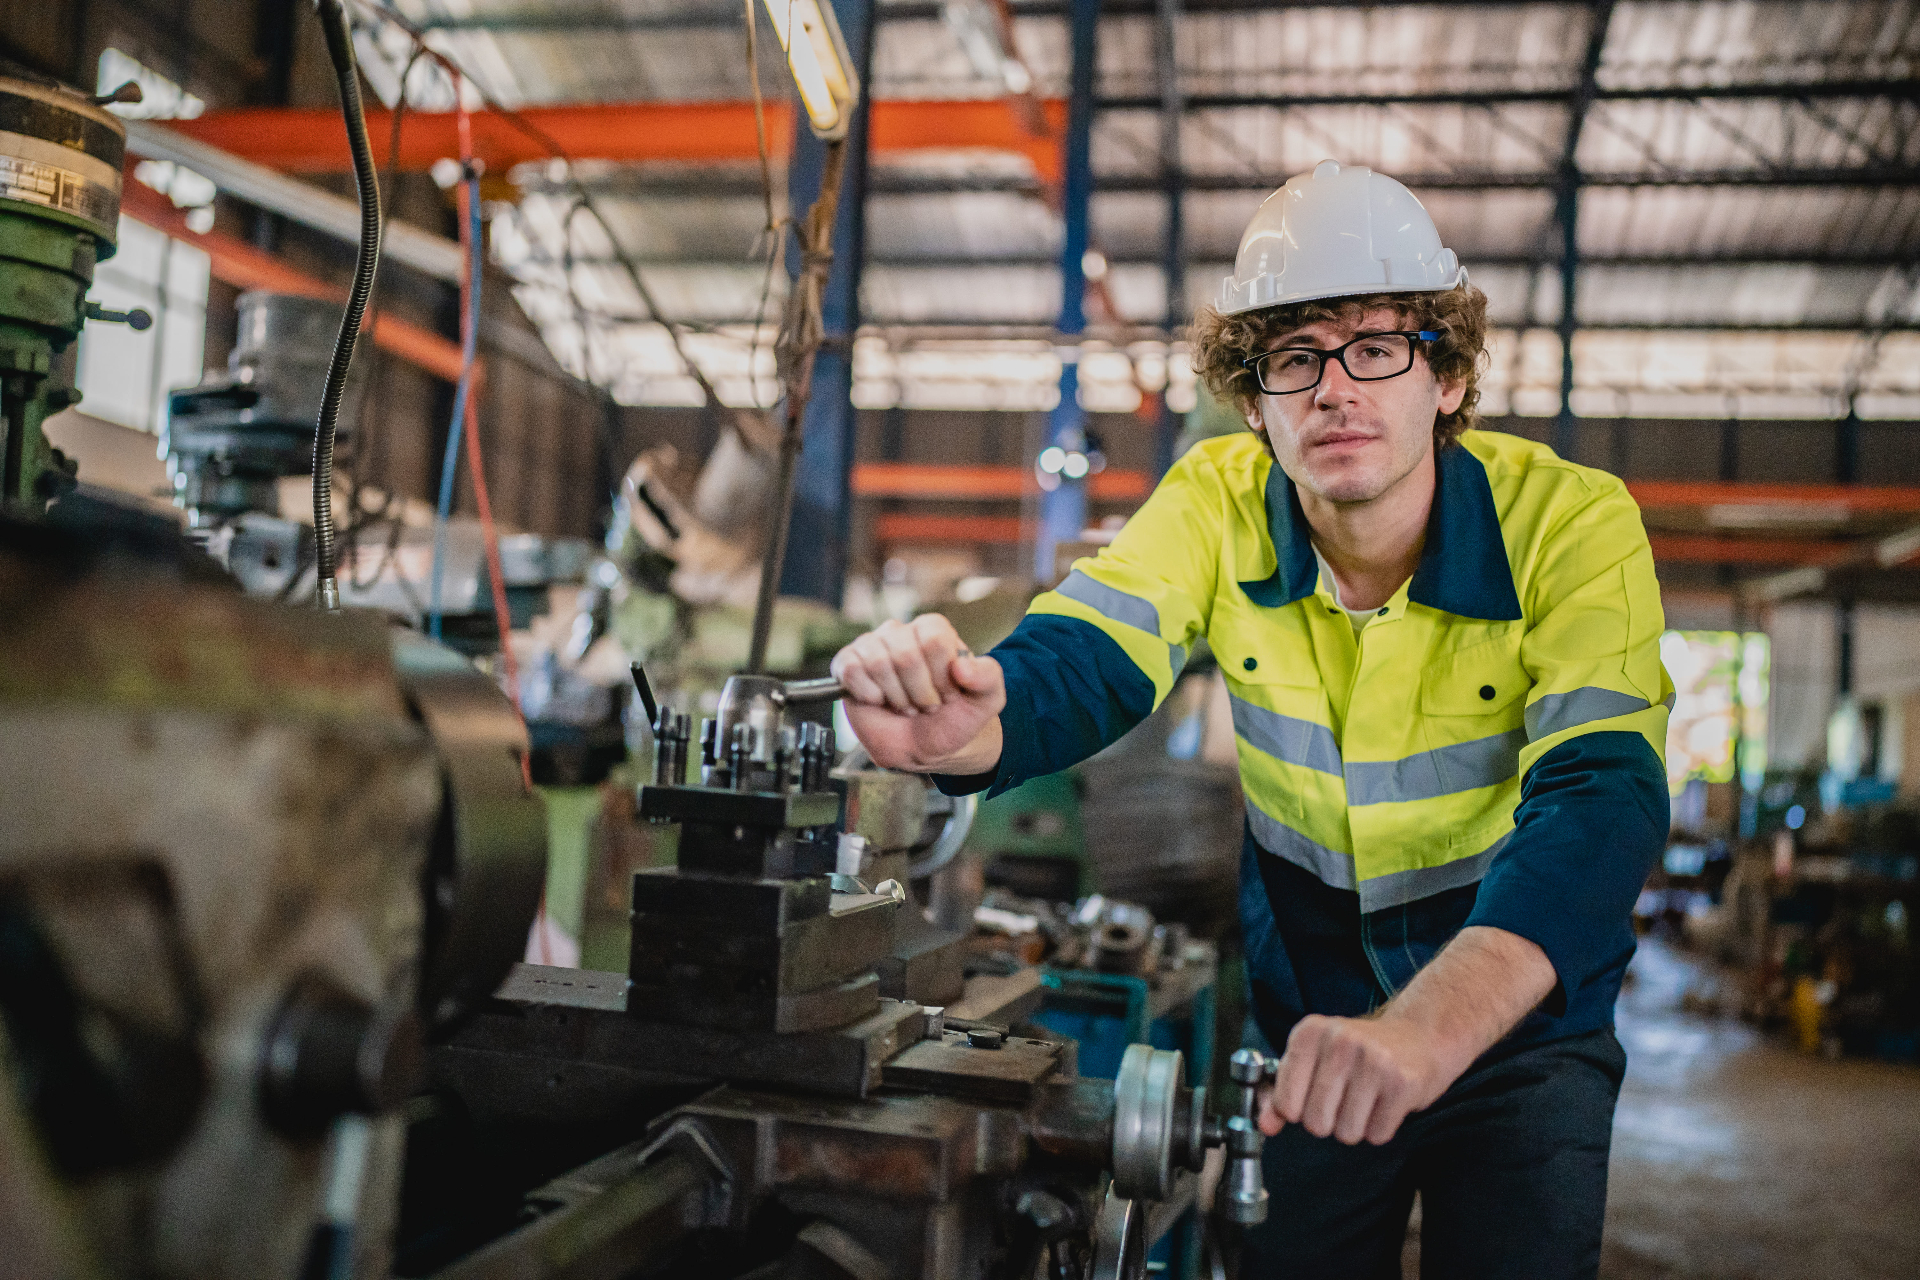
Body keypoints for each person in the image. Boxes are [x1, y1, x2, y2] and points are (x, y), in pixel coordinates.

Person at [831, 160, 1670, 1279]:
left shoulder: (1571, 526)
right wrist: (974, 729)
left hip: (1521, 1019)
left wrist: (1426, 1028)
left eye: (1377, 347)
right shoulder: (1215, 502)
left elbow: (1601, 800)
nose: (1335, 390)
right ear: (1256, 397)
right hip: (1314, 1018)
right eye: (1294, 357)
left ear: (1449, 376)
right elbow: (1089, 651)